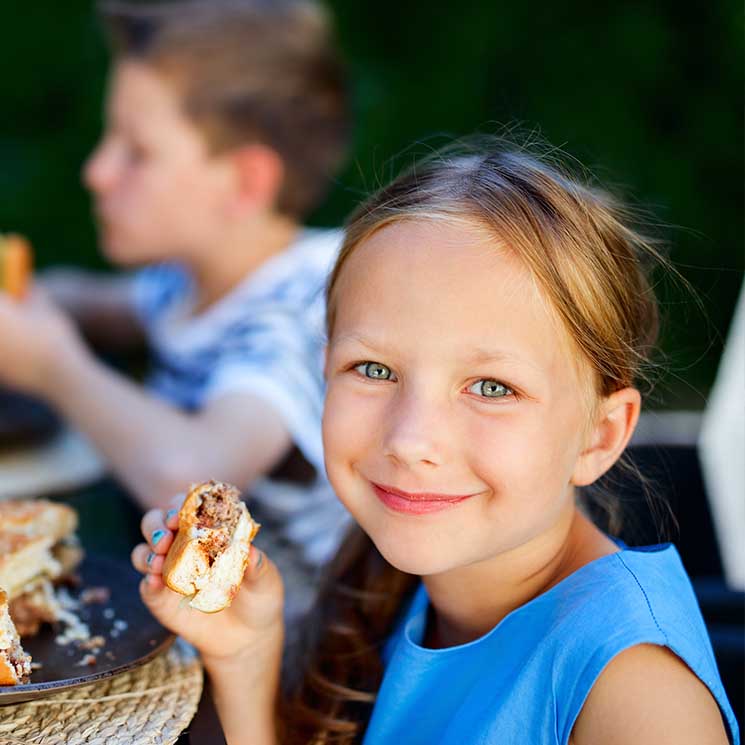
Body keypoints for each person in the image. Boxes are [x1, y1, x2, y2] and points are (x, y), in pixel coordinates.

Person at [131, 138, 739, 744]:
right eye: (373, 369)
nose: (410, 440)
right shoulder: (394, 584)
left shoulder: (638, 700)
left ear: (599, 436)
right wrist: (246, 658)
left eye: (492, 387)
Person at [0, 0, 353, 613]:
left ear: (244, 184)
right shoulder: (189, 281)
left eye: (136, 152)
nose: (97, 171)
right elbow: (90, 302)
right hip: (190, 603)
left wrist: (53, 366)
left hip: (292, 643)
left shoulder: (298, 314)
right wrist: (36, 303)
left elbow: (195, 479)